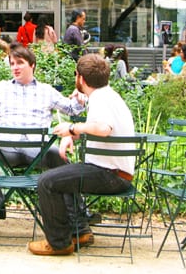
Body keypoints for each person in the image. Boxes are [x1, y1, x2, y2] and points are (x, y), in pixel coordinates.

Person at [0, 43, 85, 219]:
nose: (15, 67)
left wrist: (80, 97)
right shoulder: (1, 88)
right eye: (12, 63)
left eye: (19, 63)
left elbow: (72, 109)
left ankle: (79, 211)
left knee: (60, 155)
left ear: (32, 65)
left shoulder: (46, 91)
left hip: (38, 150)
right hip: (6, 149)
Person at [27, 53, 135, 256]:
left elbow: (104, 128)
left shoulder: (100, 99)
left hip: (110, 175)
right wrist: (72, 135)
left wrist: (73, 128)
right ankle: (79, 232)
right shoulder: (107, 95)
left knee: (46, 182)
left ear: (81, 78)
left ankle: (59, 243)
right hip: (116, 173)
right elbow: (100, 130)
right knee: (63, 174)